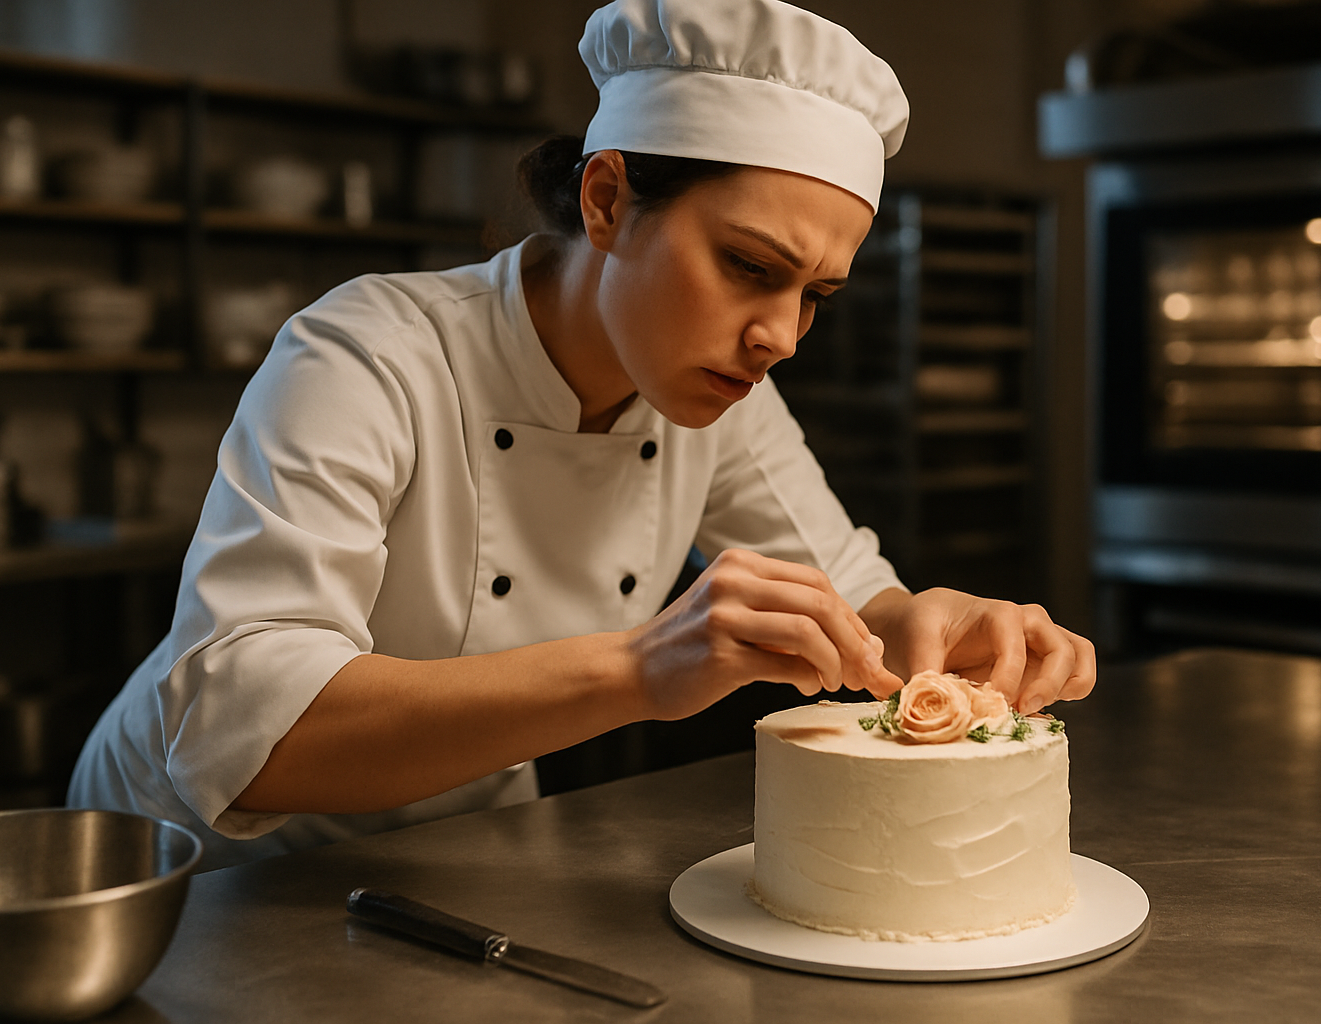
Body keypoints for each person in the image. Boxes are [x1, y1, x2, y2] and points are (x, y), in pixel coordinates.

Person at [69, 0, 1095, 870]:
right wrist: (644, 668)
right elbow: (242, 730)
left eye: (815, 294)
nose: (779, 336)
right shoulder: (370, 352)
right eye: (748, 265)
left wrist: (939, 626)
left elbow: (859, 601)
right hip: (192, 867)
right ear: (606, 201)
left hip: (448, 853)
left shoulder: (715, 393)